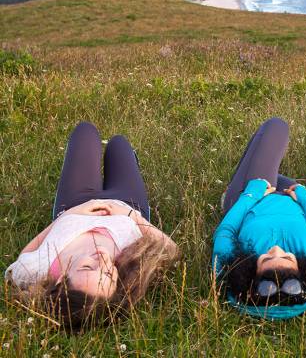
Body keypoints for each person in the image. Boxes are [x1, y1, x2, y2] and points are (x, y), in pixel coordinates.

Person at [5, 122, 179, 330]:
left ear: (61, 279)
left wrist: (67, 216)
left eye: (87, 266)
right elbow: (172, 249)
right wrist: (132, 215)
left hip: (75, 202)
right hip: (127, 204)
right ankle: (128, 156)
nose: (102, 258)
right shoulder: (130, 265)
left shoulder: (38, 268)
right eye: (108, 274)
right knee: (119, 144)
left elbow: (27, 252)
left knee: (85, 131)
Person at [212, 117, 306, 319]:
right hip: (289, 193)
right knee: (275, 170)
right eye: (288, 257)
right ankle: (251, 176)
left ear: (252, 274)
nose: (277, 250)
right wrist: (305, 199)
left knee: (276, 127)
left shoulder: (230, 264)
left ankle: (232, 192)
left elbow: (226, 230)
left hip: (250, 195)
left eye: (267, 258)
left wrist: (251, 194)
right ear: (301, 270)